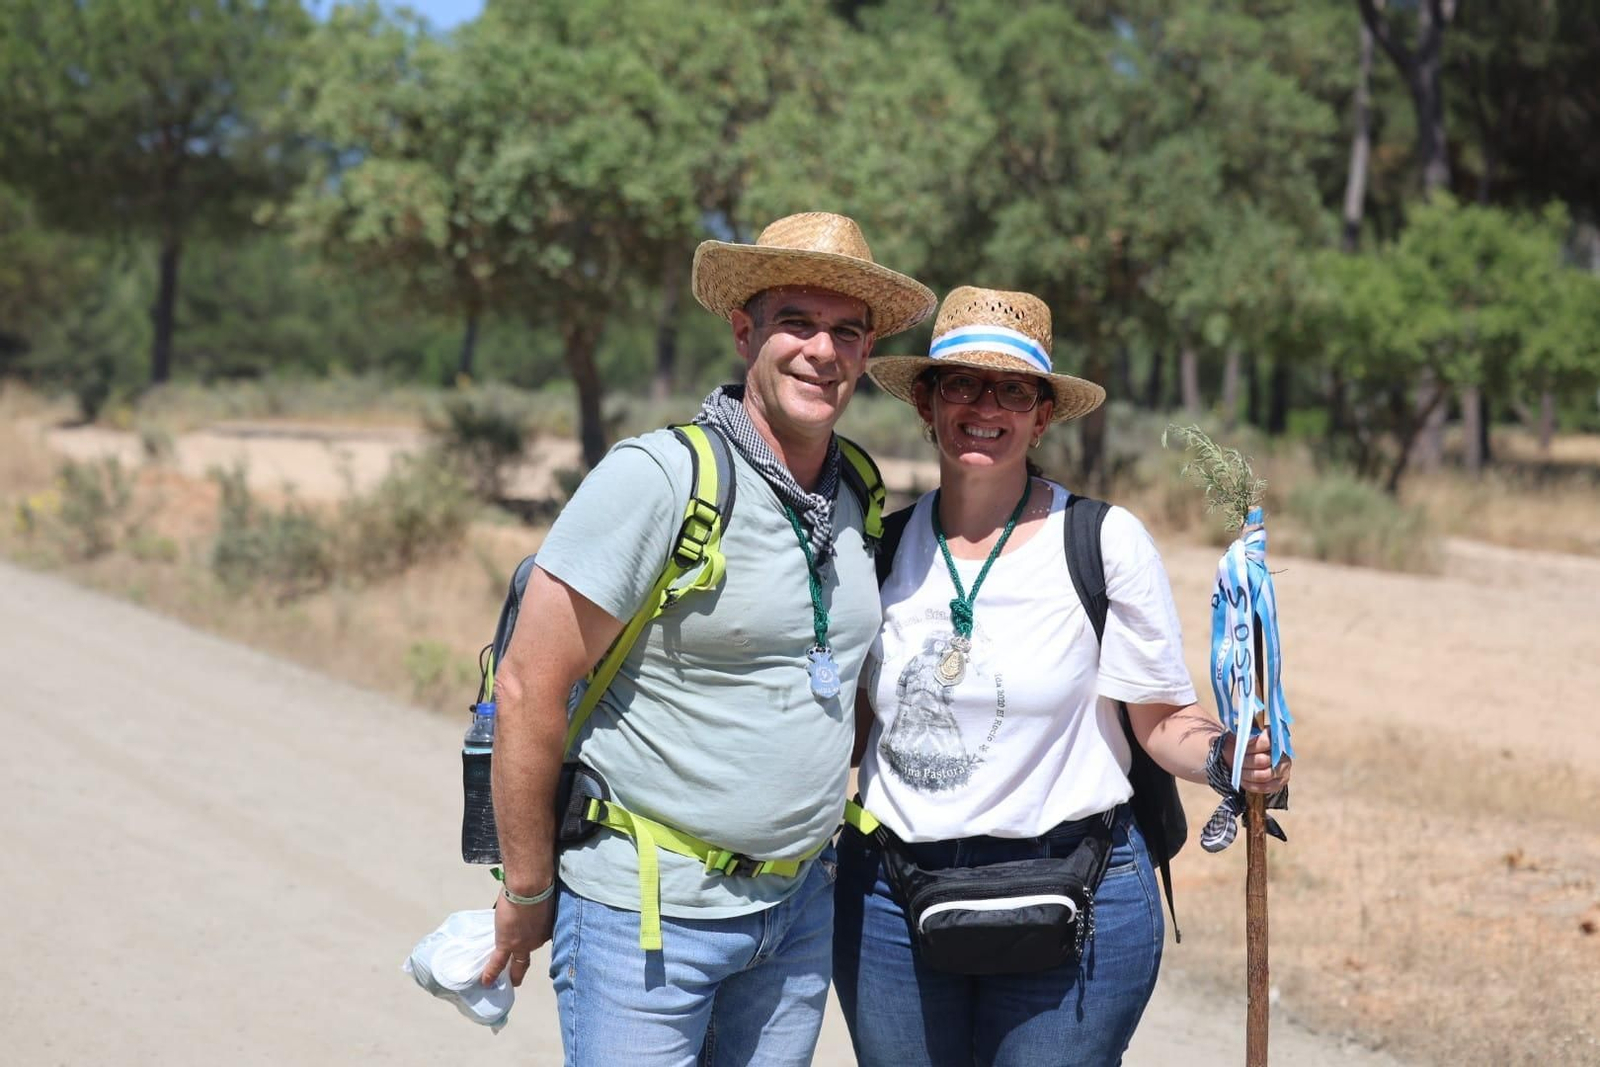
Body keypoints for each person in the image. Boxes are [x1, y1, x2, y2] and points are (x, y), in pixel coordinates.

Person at [478, 212, 935, 1067]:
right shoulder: (659, 478)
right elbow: (528, 685)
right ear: (743, 332)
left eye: (846, 331)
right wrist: (528, 888)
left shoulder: (858, 491)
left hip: (796, 915)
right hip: (644, 922)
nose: (822, 351)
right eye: (795, 322)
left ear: (869, 352)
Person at [833, 286, 1292, 1067]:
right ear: (926, 401)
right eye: (962, 383)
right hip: (891, 900)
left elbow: (1159, 720)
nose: (987, 406)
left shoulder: (1103, 543)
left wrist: (1229, 757)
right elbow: (857, 730)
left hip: (1077, 896)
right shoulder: (876, 548)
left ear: (1043, 416)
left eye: (1014, 389)